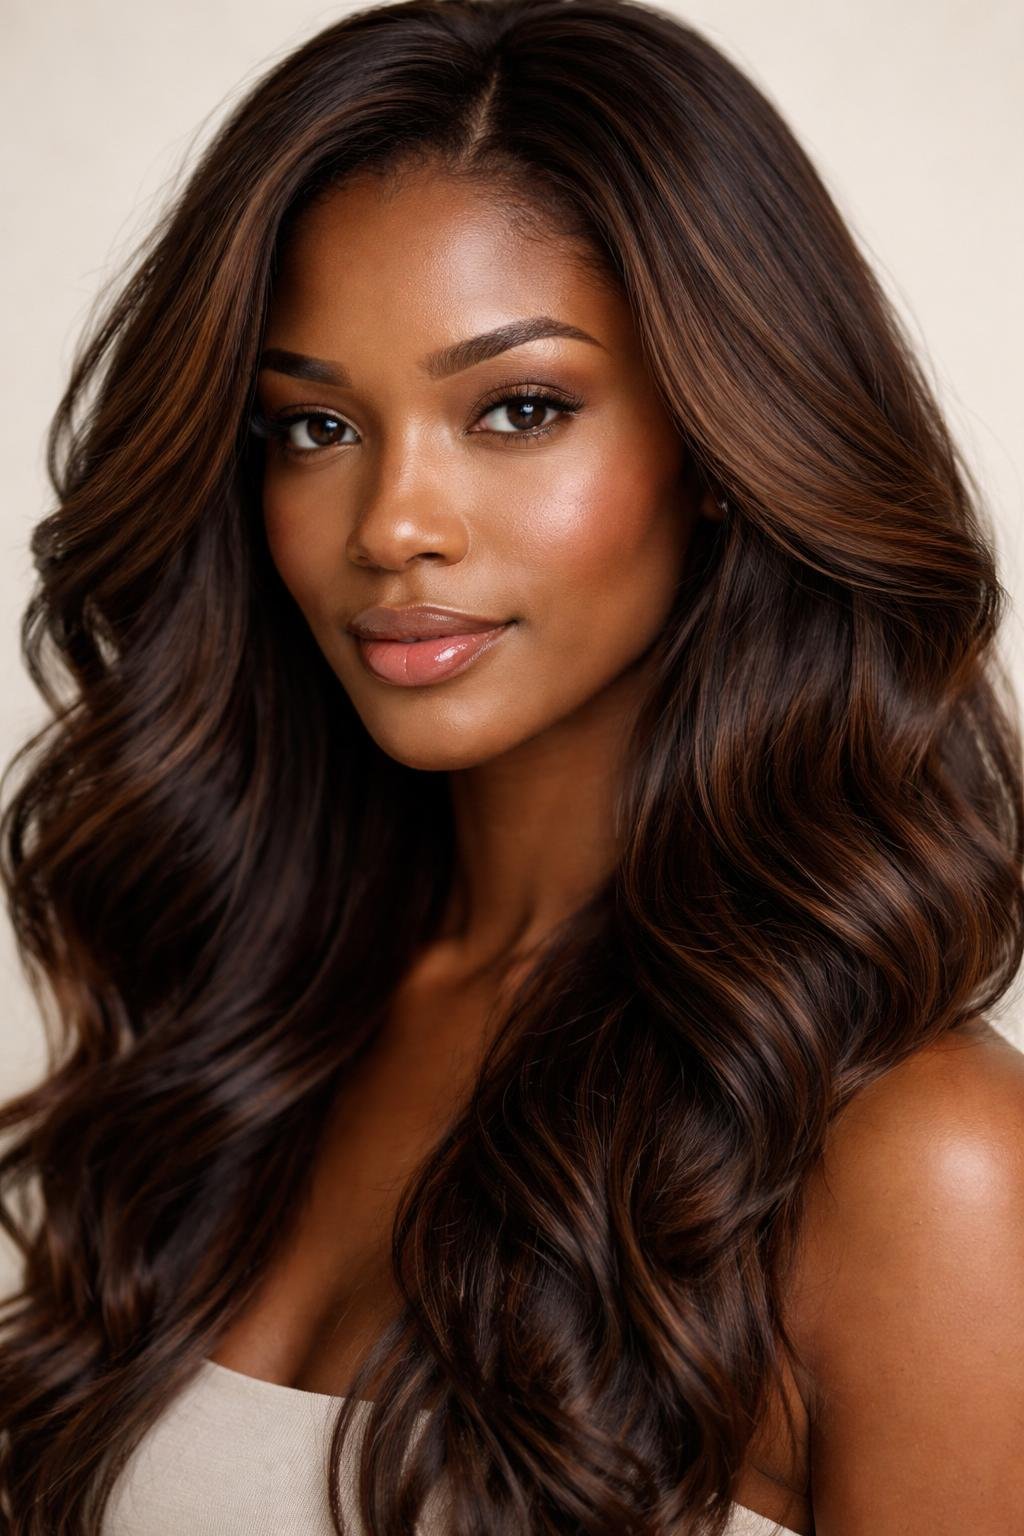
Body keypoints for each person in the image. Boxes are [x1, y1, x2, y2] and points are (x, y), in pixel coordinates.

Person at [2, 0, 1023, 1531]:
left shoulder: (918, 1164)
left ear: (727, 446)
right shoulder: (256, 1013)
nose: (393, 523)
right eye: (313, 426)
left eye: (520, 408)